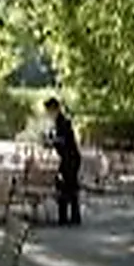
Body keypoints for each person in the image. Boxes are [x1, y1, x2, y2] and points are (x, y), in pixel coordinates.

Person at [43, 97, 82, 226]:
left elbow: (63, 140)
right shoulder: (58, 122)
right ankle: (66, 217)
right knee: (66, 186)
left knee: (68, 186)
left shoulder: (64, 122)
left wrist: (51, 140)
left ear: (55, 109)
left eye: (49, 110)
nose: (48, 113)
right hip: (67, 158)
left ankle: (69, 217)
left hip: (70, 158)